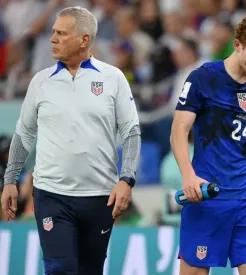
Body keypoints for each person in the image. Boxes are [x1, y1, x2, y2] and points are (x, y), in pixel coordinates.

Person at [0, 6, 140, 275]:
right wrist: (10, 180)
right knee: (59, 269)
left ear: (84, 39)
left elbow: (131, 131)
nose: (52, 38)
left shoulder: (113, 78)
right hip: (51, 195)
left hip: (100, 196)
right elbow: (24, 133)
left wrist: (127, 179)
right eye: (53, 32)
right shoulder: (40, 82)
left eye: (61, 33)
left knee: (90, 270)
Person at [170, 14, 246, 275]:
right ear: (237, 45)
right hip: (207, 195)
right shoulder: (203, 77)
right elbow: (179, 129)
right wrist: (188, 176)